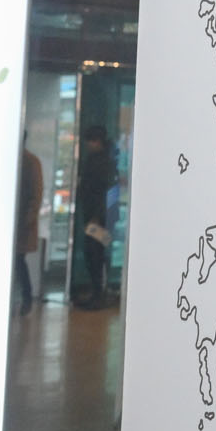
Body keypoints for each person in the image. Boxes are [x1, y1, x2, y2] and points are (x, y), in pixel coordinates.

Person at [73, 124, 118, 308]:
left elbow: (105, 191)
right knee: (93, 252)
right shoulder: (99, 160)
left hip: (98, 217)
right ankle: (97, 291)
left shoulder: (103, 162)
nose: (88, 145)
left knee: (95, 253)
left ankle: (98, 293)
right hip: (96, 215)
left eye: (90, 141)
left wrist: (97, 216)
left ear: (97, 141)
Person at [14, 140, 44, 315]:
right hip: (18, 222)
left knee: (18, 261)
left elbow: (36, 194)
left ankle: (26, 298)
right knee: (17, 262)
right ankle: (22, 298)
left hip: (23, 223)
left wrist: (29, 219)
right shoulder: (23, 160)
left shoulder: (31, 162)